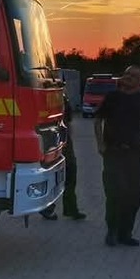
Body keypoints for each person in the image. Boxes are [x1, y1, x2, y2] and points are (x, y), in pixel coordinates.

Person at [94, 66, 140, 247]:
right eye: (127, 74)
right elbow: (97, 120)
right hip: (113, 153)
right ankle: (112, 230)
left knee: (134, 194)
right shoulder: (112, 97)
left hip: (135, 154)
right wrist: (100, 144)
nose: (128, 77)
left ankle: (126, 233)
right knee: (116, 192)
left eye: (133, 76)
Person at [41, 93, 86, 221]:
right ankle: (47, 208)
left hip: (62, 141)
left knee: (70, 173)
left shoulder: (62, 97)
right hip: (48, 141)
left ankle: (71, 208)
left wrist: (67, 141)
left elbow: (68, 122)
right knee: (51, 175)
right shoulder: (44, 95)